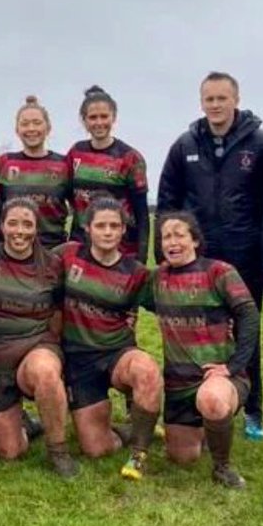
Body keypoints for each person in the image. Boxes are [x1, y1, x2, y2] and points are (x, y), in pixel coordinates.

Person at [156, 72, 263, 440]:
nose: (215, 105)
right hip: (196, 258)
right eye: (209, 98)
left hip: (244, 255)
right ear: (201, 102)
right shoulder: (185, 145)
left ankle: (252, 408)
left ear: (236, 100)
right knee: (193, 330)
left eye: (222, 98)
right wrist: (164, 252)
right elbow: (167, 200)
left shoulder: (262, 144)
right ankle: (194, 403)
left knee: (245, 328)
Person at [142, 212, 259, 488]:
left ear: (195, 240)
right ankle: (208, 430)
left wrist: (232, 366)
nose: (172, 242)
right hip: (178, 385)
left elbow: (249, 316)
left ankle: (222, 467)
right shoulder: (157, 279)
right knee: (182, 457)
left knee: (212, 400)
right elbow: (131, 298)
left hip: (217, 377)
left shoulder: (219, 272)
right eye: (166, 237)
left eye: (179, 235)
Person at [0, 199, 77, 478]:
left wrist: (54, 349)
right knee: (10, 452)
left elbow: (58, 310)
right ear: (2, 226)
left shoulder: (52, 264)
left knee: (45, 371)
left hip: (35, 345)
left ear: (36, 228)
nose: (20, 231)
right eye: (13, 223)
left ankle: (58, 450)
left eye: (27, 224)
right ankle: (28, 425)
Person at [60, 198, 160, 480]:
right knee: (96, 449)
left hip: (117, 353)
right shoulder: (68, 255)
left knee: (147, 370)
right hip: (79, 360)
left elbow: (169, 304)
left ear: (123, 230)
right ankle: (129, 430)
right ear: (87, 228)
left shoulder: (137, 273)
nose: (108, 232)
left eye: (114, 226)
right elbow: (32, 264)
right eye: (101, 225)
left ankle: (139, 454)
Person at [67, 86, 149, 261]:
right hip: (82, 248)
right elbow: (71, 197)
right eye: (93, 117)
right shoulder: (76, 152)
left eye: (104, 116)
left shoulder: (130, 158)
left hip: (121, 251)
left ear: (114, 117)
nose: (99, 122)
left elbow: (142, 214)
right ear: (84, 120)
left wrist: (141, 257)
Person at [0, 96, 71, 248]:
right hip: (13, 249)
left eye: (37, 123)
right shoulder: (4, 162)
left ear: (48, 128)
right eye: (25, 124)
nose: (31, 129)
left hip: (53, 248)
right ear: (17, 130)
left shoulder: (63, 164)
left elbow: (79, 204)